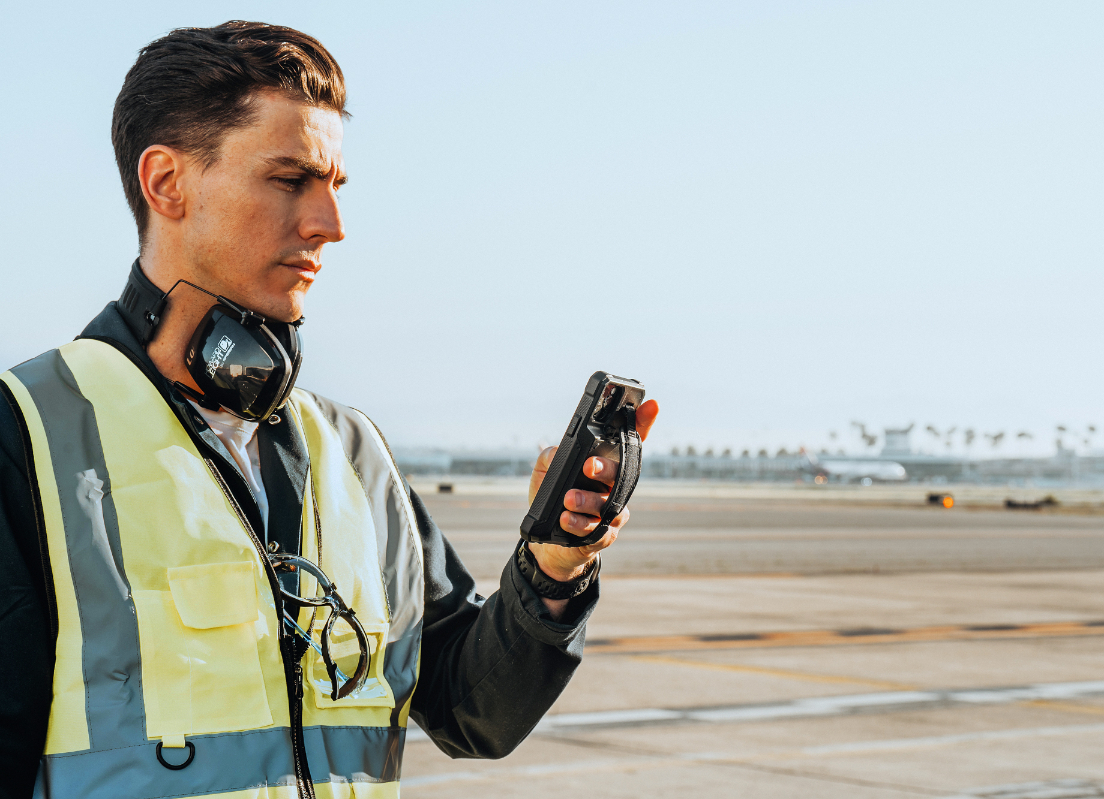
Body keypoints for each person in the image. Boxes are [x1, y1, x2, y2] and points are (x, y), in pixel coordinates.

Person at [0, 21, 658, 799]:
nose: (329, 226)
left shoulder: (351, 450)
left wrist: (553, 565)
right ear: (167, 183)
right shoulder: (30, 433)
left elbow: (473, 710)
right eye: (289, 180)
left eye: (334, 187)